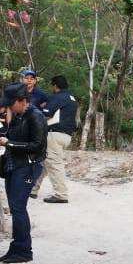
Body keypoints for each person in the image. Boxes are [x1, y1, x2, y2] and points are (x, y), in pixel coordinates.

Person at [0, 83, 47, 264]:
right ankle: (16, 247)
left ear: (22, 100)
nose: (9, 107)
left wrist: (9, 143)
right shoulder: (17, 115)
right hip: (14, 164)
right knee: (15, 207)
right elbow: (10, 136)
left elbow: (37, 145)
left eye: (11, 104)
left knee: (18, 207)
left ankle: (24, 250)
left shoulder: (36, 116)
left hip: (28, 166)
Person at [32, 75, 77, 203]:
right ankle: (32, 189)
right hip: (66, 135)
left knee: (54, 164)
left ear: (55, 86)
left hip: (54, 134)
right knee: (44, 163)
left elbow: (46, 114)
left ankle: (61, 194)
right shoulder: (72, 98)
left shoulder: (57, 97)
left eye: (52, 85)